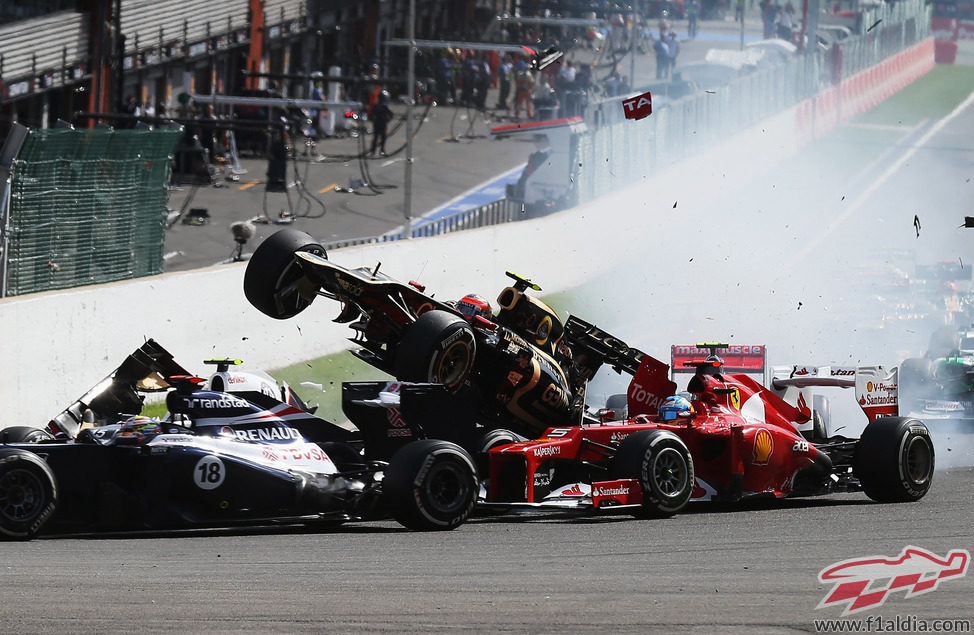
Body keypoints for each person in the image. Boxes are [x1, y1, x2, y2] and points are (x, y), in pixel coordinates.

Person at [369, 91, 393, 156]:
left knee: (378, 138)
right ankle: (379, 150)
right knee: (380, 138)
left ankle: (374, 151)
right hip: (380, 123)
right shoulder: (381, 106)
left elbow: (370, 115)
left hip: (379, 123)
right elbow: (391, 115)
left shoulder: (378, 106)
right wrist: (388, 120)